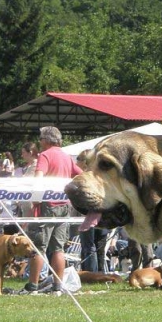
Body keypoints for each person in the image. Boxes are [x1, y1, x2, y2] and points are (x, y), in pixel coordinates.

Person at [21, 126, 82, 294]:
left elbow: (39, 177)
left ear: (47, 140)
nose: (39, 142)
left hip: (47, 205)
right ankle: (57, 287)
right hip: (64, 205)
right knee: (58, 248)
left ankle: (32, 286)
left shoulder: (45, 155)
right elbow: (80, 174)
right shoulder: (66, 156)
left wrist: (35, 199)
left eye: (40, 139)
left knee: (38, 247)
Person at [75, 150, 109, 273]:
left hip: (91, 215)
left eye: (78, 159)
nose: (76, 162)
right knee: (99, 246)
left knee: (89, 246)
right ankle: (100, 273)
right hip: (104, 215)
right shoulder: (104, 175)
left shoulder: (85, 178)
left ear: (85, 162)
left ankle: (90, 273)